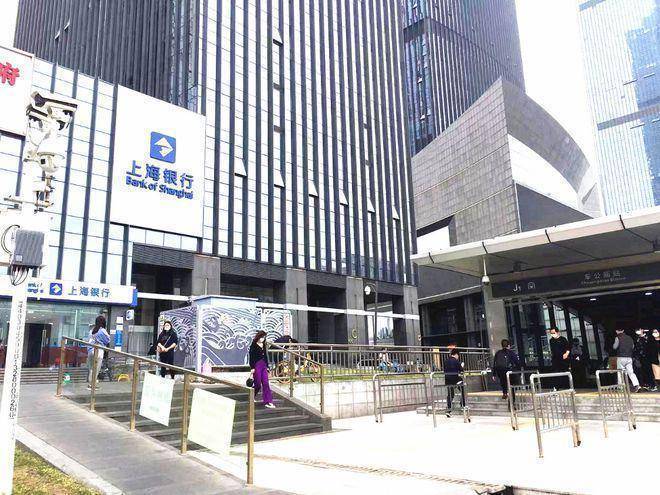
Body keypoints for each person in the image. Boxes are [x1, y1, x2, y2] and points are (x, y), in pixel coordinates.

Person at [249, 330, 275, 408]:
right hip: (257, 365)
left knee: (266, 383)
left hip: (264, 365)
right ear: (258, 337)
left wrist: (267, 367)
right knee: (257, 383)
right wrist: (252, 367)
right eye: (261, 337)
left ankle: (268, 401)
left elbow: (266, 356)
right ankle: (251, 396)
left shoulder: (264, 345)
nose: (262, 339)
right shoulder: (253, 345)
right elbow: (251, 357)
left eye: (264, 337)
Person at [614, 328, 640, 393]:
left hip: (621, 357)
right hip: (629, 357)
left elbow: (615, 347)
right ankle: (636, 385)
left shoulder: (617, 338)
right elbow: (633, 347)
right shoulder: (630, 338)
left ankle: (620, 387)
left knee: (620, 372)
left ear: (616, 331)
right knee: (631, 372)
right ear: (623, 330)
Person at [87, 315, 110, 389]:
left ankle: (90, 384)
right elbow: (107, 340)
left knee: (91, 368)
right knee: (96, 369)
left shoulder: (91, 331)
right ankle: (93, 385)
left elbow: (88, 341)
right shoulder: (103, 330)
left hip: (90, 350)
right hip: (99, 351)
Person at [444, 348, 465, 416]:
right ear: (456, 354)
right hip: (456, 379)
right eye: (458, 355)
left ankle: (448, 410)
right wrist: (462, 366)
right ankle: (462, 405)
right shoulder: (456, 361)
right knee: (463, 390)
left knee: (450, 395)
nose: (458, 357)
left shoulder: (446, 361)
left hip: (448, 380)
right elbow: (461, 370)